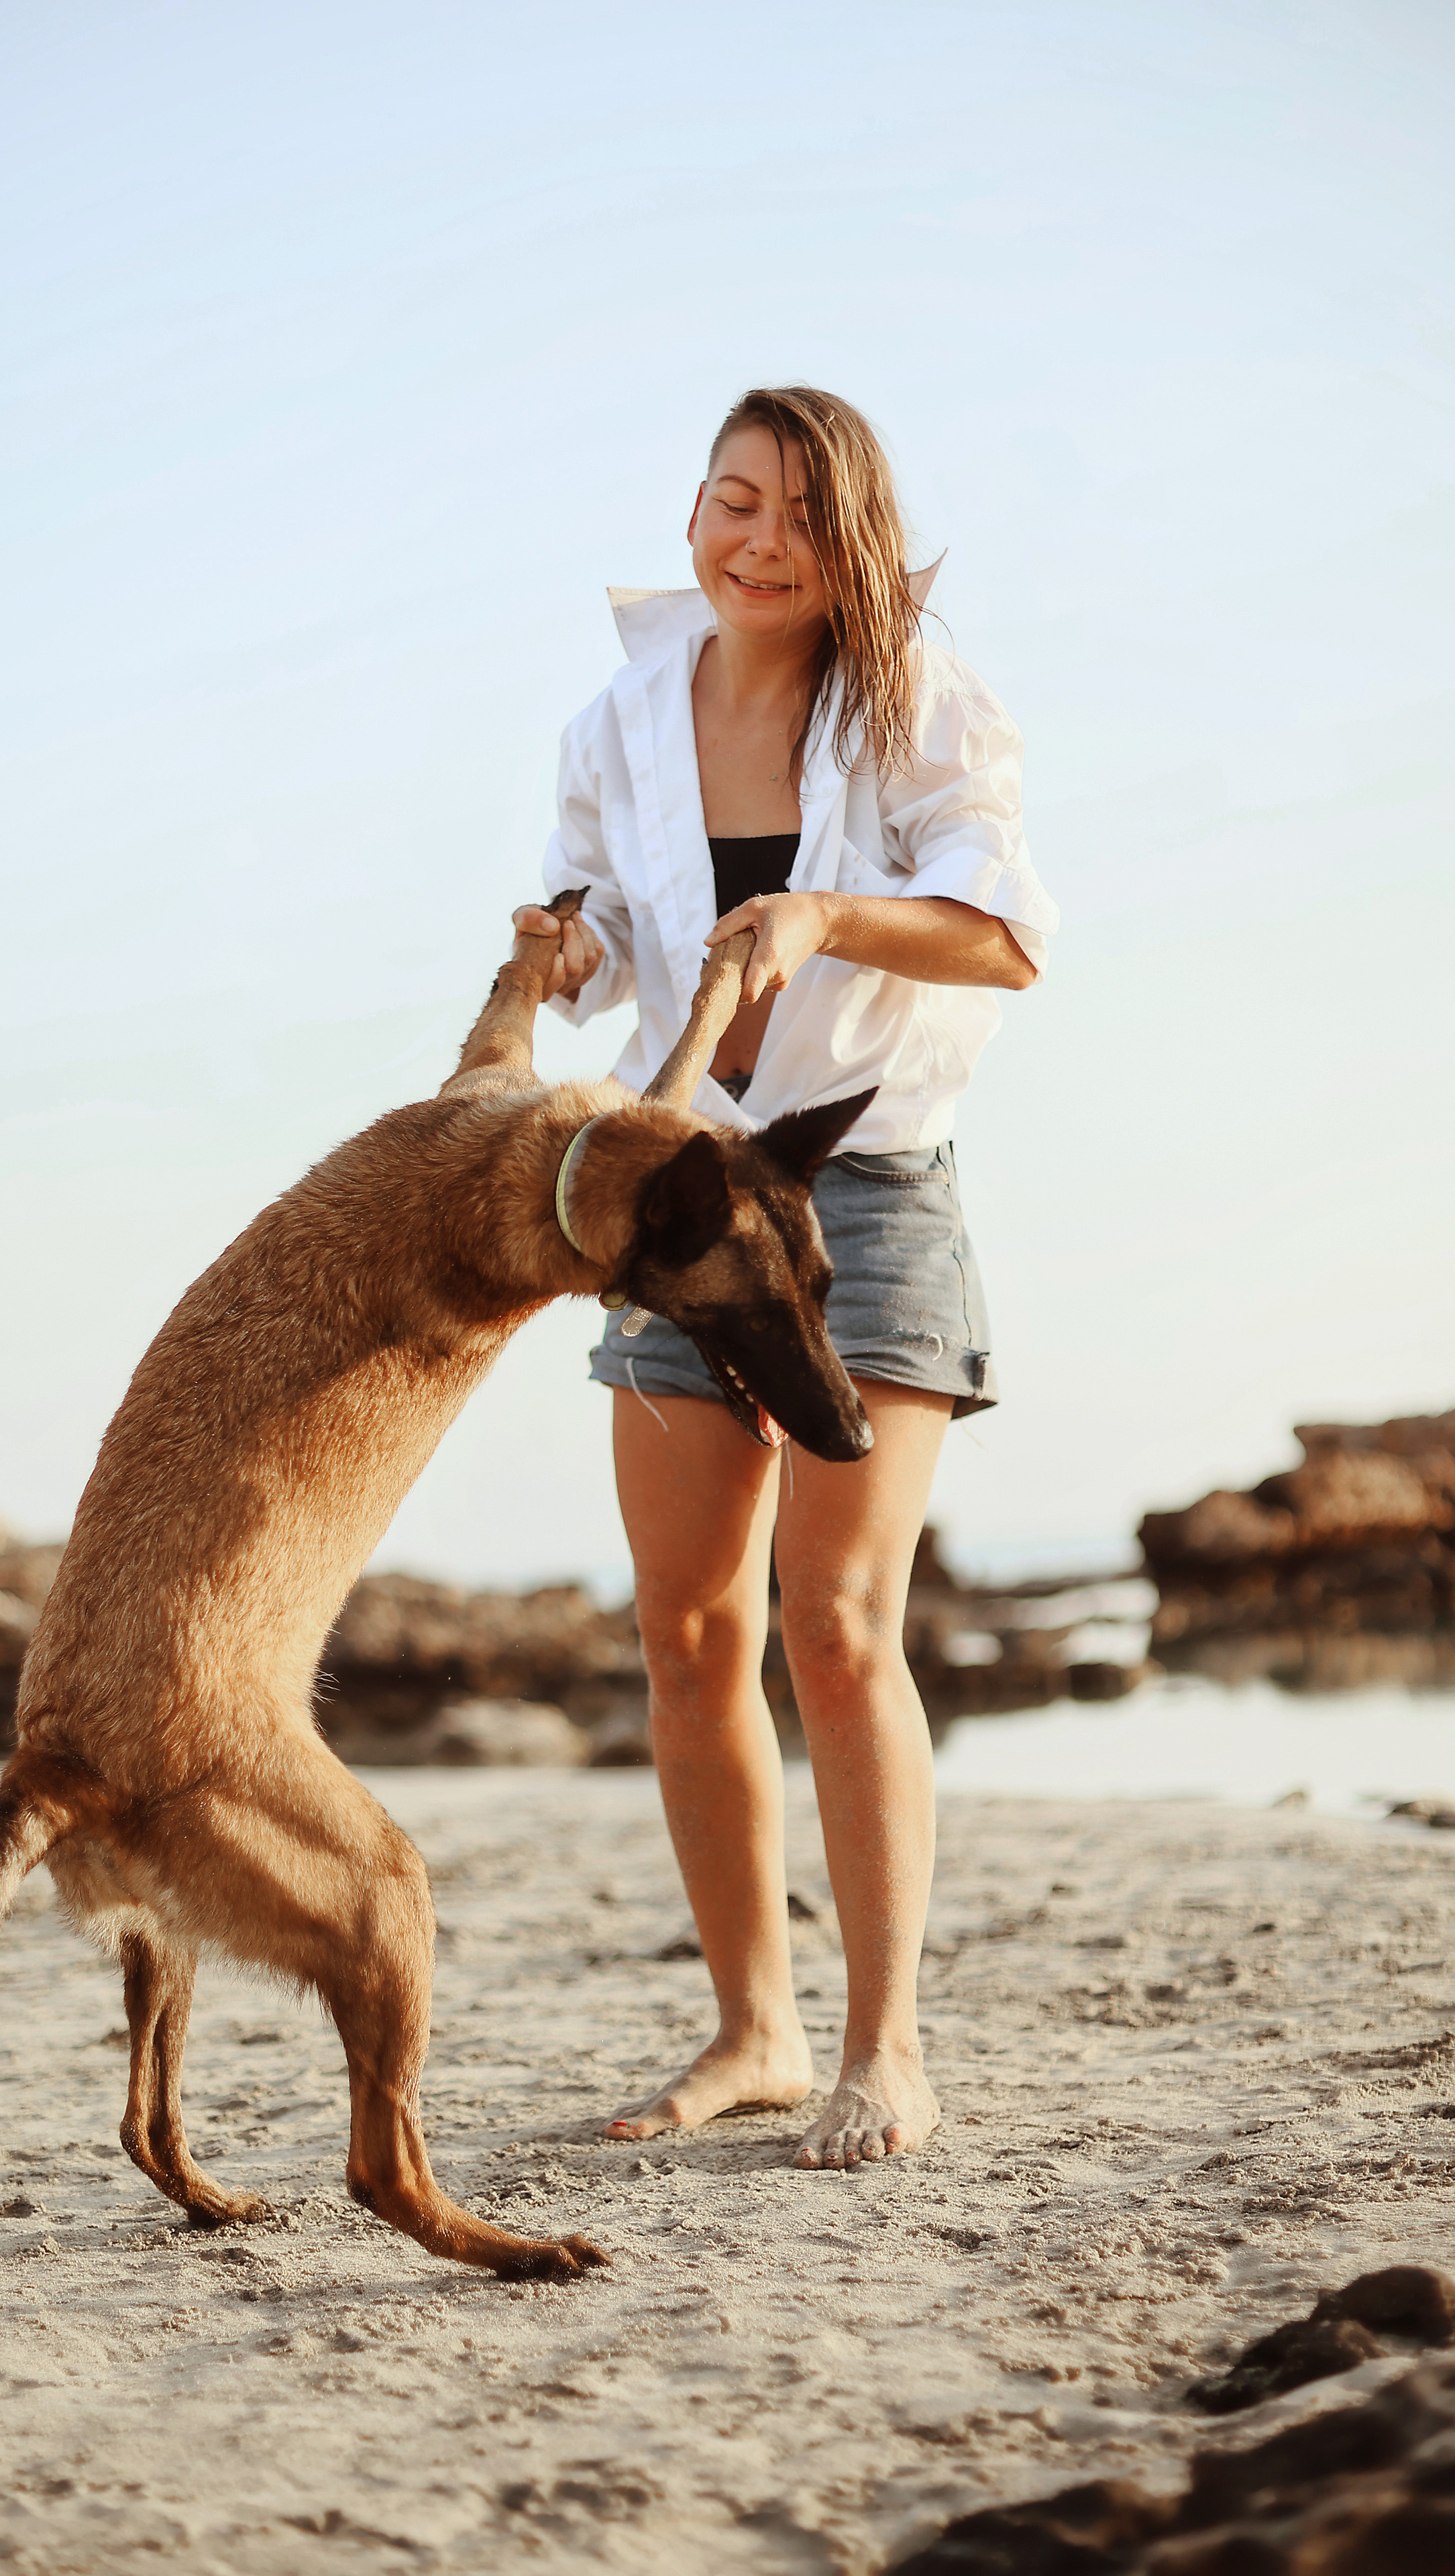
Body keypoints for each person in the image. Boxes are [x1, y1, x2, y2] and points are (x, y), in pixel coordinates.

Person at [514, 385, 1057, 2169]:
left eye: (804, 517)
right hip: (681, 1196)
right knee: (689, 1634)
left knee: (835, 1617)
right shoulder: (616, 720)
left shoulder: (916, 701)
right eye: (734, 500)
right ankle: (755, 2031)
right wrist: (564, 948)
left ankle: (884, 2052)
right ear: (693, 511)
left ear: (854, 546)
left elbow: (1004, 937)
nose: (761, 542)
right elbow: (598, 935)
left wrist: (823, 915)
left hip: (867, 1190)